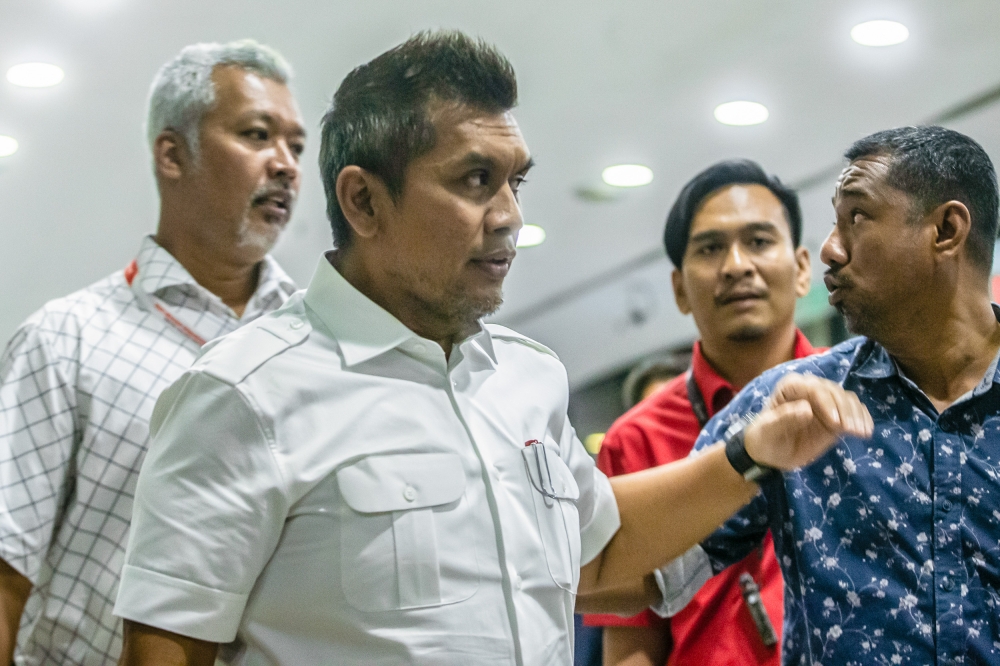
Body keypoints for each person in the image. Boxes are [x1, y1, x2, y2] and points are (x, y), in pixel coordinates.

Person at [112, 31, 870, 666]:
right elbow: (166, 650)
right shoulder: (244, 394)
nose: (508, 216)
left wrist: (749, 453)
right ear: (363, 200)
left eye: (516, 182)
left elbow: (598, 554)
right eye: (476, 180)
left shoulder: (525, 376)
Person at [0, 40, 304, 665]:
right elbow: (5, 580)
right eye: (256, 135)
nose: (286, 165)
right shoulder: (68, 341)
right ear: (173, 153)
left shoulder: (317, 342)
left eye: (296, 146)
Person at [651, 125, 1000, 665]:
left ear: (946, 229)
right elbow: (645, 575)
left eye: (857, 217)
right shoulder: (791, 404)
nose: (832, 250)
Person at [583, 160, 817, 666]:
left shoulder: (857, 401)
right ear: (679, 289)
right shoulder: (636, 440)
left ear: (801, 268)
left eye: (758, 241)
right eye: (711, 249)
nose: (736, 265)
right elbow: (631, 645)